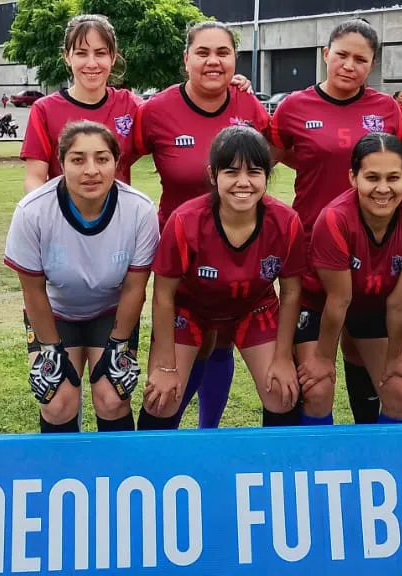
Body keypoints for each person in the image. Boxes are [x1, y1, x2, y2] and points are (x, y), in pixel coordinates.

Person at [269, 18, 402, 424]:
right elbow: (261, 167)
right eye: (342, 55)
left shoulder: (386, 110)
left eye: (360, 59)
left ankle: (372, 463)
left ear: (372, 64)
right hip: (313, 257)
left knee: (392, 384)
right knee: (316, 386)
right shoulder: (294, 108)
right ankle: (317, 467)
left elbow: (398, 173)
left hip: (373, 260)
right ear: (325, 54)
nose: (349, 65)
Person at [134, 21, 271, 429]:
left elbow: (268, 163)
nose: (213, 61)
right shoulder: (156, 111)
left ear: (235, 60)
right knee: (184, 351)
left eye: (223, 53)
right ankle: (165, 438)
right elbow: (116, 162)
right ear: (186, 59)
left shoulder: (250, 108)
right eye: (203, 52)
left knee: (222, 340)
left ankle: (208, 430)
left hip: (239, 252)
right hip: (180, 257)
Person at [143, 127, 306, 429]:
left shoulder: (285, 222)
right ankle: (154, 471)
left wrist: (284, 356)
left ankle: (275, 469)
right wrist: (166, 366)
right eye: (231, 172)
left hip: (253, 308)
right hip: (190, 310)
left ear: (267, 174)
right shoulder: (185, 220)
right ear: (212, 174)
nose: (243, 182)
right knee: (161, 399)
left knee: (282, 393)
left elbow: (292, 291)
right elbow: (163, 294)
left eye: (254, 172)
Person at [3, 121, 159, 433]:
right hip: (57, 313)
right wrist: (50, 349)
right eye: (78, 159)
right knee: (57, 402)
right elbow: (33, 291)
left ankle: (119, 476)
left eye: (102, 159)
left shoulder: (139, 210)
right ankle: (60, 476)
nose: (91, 170)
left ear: (117, 162)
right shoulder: (32, 211)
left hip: (110, 312)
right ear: (60, 164)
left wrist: (118, 345)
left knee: (113, 398)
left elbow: (134, 288)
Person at [297, 133, 402, 426]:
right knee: (318, 389)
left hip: (376, 306)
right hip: (320, 305)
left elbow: (401, 303)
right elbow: (339, 300)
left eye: (393, 177)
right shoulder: (334, 219)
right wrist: (323, 358)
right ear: (353, 177)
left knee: (400, 391)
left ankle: (392, 464)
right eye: (372, 177)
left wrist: (395, 357)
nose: (383, 189)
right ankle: (321, 464)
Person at [21, 14, 251, 192]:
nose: (92, 63)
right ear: (67, 56)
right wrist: (47, 217)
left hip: (117, 226)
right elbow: (34, 178)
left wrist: (224, 83)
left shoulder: (131, 106)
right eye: (81, 53)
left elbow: (175, 116)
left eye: (100, 53)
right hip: (65, 221)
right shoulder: (45, 110)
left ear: (113, 57)